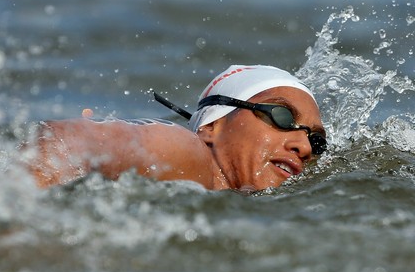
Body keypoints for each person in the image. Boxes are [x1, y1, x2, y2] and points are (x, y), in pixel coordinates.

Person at [24, 65, 327, 192]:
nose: (304, 146)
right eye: (282, 116)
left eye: (316, 141)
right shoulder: (188, 153)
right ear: (213, 126)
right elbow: (67, 139)